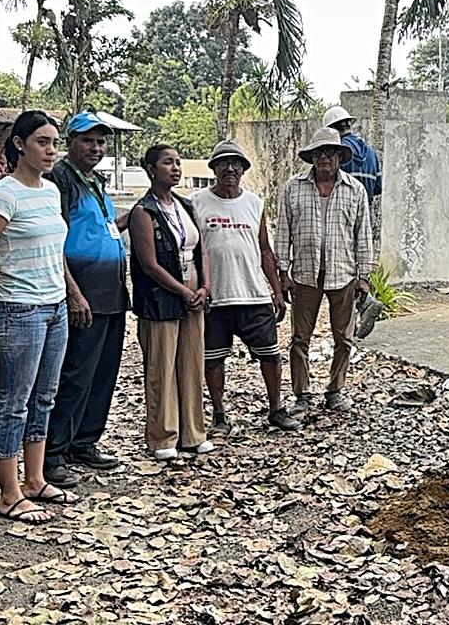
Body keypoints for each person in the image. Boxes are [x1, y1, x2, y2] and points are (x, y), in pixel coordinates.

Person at [0, 111, 79, 524]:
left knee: (44, 397)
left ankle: (35, 480)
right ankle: (8, 494)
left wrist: (66, 293)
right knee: (13, 402)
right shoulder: (5, 194)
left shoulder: (50, 191)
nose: (51, 151)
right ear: (19, 145)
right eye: (41, 143)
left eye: (54, 143)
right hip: (19, 310)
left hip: (54, 308)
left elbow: (54, 250)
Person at [40, 112, 128, 488]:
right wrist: (73, 292)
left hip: (111, 291)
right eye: (88, 140)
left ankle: (85, 441)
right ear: (71, 142)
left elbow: (102, 228)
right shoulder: (60, 180)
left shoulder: (96, 181)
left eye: (101, 142)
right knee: (75, 373)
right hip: (83, 293)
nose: (96, 148)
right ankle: (53, 453)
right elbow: (55, 240)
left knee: (103, 372)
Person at [190, 141, 302, 433]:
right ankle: (219, 414)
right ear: (214, 168)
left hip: (253, 294)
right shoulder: (196, 202)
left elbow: (264, 249)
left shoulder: (254, 203)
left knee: (271, 355)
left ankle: (276, 409)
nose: (230, 169)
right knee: (213, 360)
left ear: (243, 169)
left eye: (236, 164)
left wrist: (276, 291)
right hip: (216, 296)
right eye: (223, 163)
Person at [275, 127, 375, 416]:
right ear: (312, 157)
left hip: (343, 275)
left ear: (339, 157)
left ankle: (335, 390)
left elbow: (363, 236)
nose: (324, 158)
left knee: (343, 338)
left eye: (330, 152)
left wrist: (364, 277)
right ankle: (302, 394)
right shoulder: (294, 187)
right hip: (304, 275)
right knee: (299, 339)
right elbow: (283, 232)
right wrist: (283, 273)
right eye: (318, 153)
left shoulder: (354, 190)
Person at [128, 145, 214, 461]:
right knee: (162, 365)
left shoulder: (186, 206)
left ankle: (193, 432)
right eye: (168, 162)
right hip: (161, 293)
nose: (175, 168)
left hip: (193, 286)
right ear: (151, 169)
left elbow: (202, 249)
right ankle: (163, 436)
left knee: (192, 361)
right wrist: (182, 291)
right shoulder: (143, 211)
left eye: (178, 162)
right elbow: (149, 264)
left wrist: (204, 287)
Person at [322, 106, 385, 340]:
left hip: (342, 215)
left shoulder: (339, 153)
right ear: (349, 124)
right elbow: (378, 188)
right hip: (366, 215)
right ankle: (361, 307)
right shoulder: (371, 153)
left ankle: (362, 306)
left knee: (339, 270)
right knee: (356, 266)